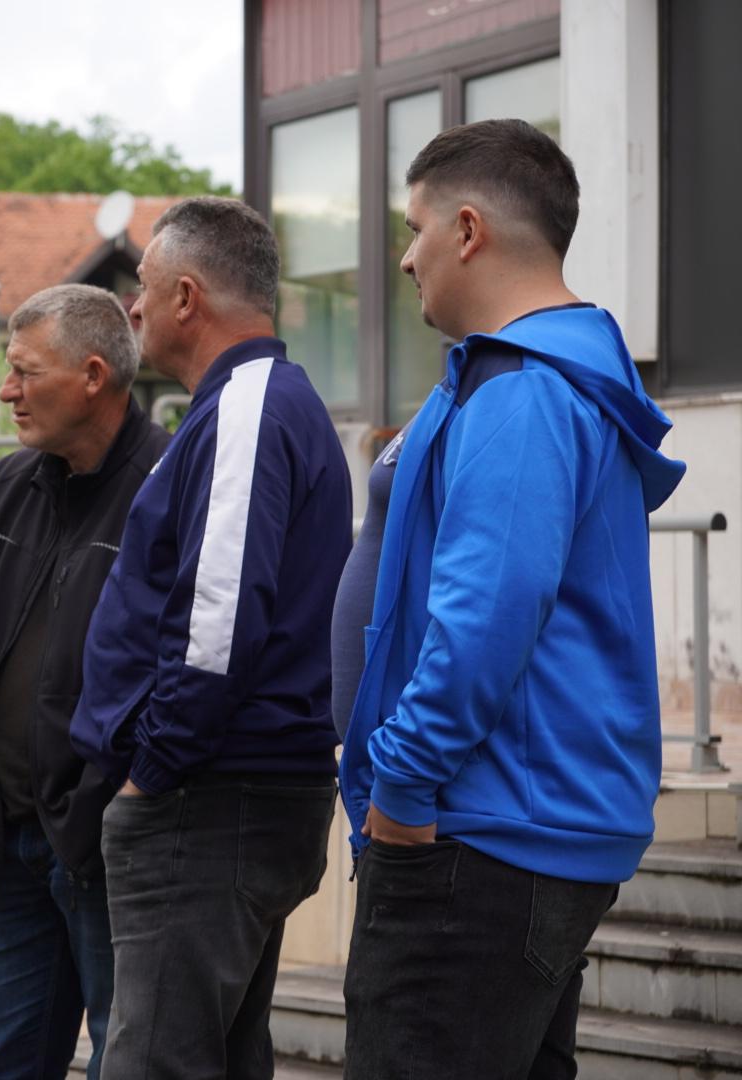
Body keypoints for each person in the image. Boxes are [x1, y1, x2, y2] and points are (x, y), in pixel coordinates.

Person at [337, 119, 684, 1079]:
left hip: (475, 835)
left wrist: (401, 786)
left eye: (413, 230)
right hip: (502, 831)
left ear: (468, 228)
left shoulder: (526, 390)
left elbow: (488, 615)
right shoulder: (536, 379)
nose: (407, 258)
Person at [69, 197, 352, 1079]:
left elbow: (217, 622)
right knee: (219, 1058)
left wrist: (152, 769)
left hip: (209, 795)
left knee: (156, 1061)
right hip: (231, 789)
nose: (135, 311)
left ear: (187, 295)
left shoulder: (248, 407)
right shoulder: (252, 405)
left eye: (145, 292)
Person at [0, 284, 169, 1079]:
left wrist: (121, 799)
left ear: (94, 376)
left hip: (108, 846)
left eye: (24, 373)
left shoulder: (166, 486)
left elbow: (185, 660)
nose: (7, 391)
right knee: (6, 1064)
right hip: (5, 842)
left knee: (125, 1062)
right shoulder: (8, 485)